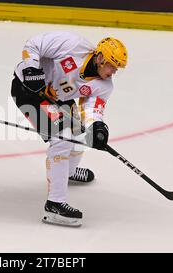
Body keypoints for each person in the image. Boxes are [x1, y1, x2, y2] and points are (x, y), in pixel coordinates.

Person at [11, 31, 127, 227]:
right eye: (111, 66)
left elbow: (91, 110)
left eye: (117, 68)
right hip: (28, 92)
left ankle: (67, 171)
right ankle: (54, 206)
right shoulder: (72, 45)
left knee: (80, 131)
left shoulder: (105, 85)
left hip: (58, 100)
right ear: (100, 58)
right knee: (62, 139)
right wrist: (31, 68)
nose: (113, 72)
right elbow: (33, 44)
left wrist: (97, 127)